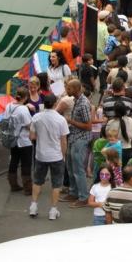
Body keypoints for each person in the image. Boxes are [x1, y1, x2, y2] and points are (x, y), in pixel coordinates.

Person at [28, 94, 69, 220]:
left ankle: (33, 206)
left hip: (41, 155)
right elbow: (64, 141)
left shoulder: (36, 117)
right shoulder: (61, 120)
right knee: (56, 184)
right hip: (56, 155)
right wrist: (63, 156)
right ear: (55, 103)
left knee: (37, 181)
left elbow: (32, 137)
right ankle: (53, 210)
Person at [60, 79, 92, 208]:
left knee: (78, 168)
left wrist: (70, 121)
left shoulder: (83, 103)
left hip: (81, 138)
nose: (66, 90)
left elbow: (88, 126)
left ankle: (83, 197)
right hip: (74, 137)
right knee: (70, 165)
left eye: (68, 88)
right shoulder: (76, 100)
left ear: (75, 89)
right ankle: (73, 192)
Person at [6, 87, 33, 195]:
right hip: (24, 141)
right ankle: (28, 188)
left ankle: (13, 185)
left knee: (14, 161)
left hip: (13, 139)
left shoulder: (9, 106)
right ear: (26, 97)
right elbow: (28, 125)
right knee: (26, 164)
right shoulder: (23, 109)